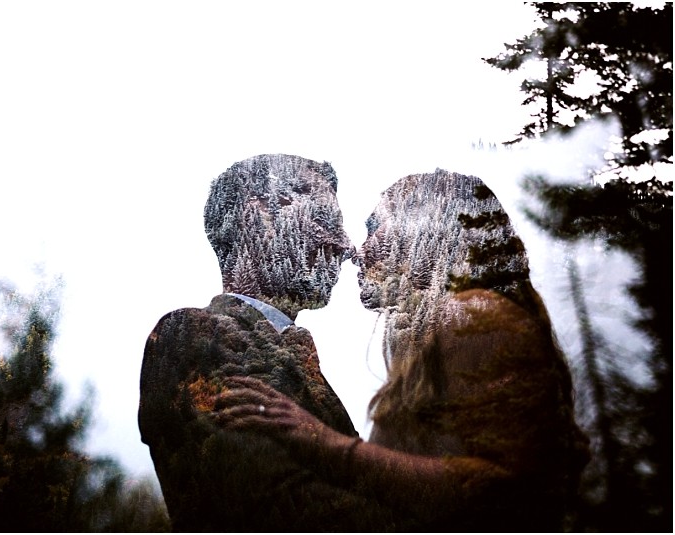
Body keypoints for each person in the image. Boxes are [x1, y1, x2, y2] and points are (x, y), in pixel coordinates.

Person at [214, 169, 590, 532]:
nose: (356, 251)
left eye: (373, 227)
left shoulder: (472, 313)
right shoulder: (436, 331)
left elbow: (505, 490)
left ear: (426, 230)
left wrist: (322, 442)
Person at [139, 154, 392, 531]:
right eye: (326, 219)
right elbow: (283, 509)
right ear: (257, 216)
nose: (346, 247)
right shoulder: (189, 335)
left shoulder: (279, 348)